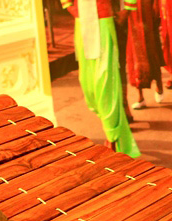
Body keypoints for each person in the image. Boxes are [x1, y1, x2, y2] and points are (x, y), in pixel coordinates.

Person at [62, 0, 140, 158]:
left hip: (103, 23)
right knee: (89, 87)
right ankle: (114, 132)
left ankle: (113, 137)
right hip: (83, 24)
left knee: (105, 83)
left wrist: (127, 9)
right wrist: (72, 8)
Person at [127, 0, 165, 109]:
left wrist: (156, 6)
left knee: (152, 51)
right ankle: (140, 97)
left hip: (147, 12)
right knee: (134, 54)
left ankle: (159, 85)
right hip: (131, 11)